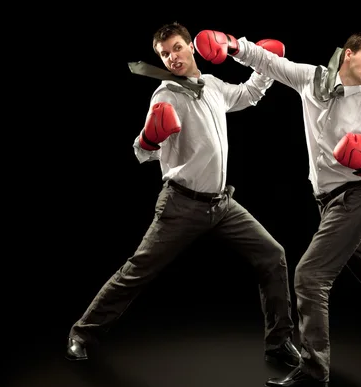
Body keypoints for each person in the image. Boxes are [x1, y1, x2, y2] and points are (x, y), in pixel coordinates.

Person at [194, 30, 361, 387]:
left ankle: (314, 370)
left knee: (309, 277)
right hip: (327, 203)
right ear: (348, 54)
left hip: (356, 200)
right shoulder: (312, 79)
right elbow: (270, 63)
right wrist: (234, 46)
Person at [65, 22, 301, 369]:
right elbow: (141, 152)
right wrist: (147, 139)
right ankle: (81, 334)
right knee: (137, 270)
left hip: (222, 204)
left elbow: (249, 95)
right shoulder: (164, 95)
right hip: (181, 205)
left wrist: (264, 63)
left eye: (176, 48)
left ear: (191, 46)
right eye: (164, 53)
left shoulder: (213, 86)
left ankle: (279, 343)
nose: (171, 57)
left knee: (273, 255)